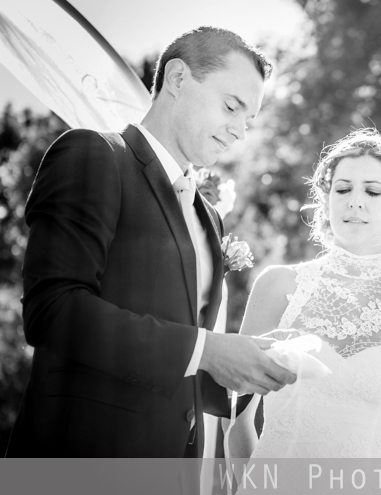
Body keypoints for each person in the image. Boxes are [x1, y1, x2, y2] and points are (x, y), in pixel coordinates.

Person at [6, 26, 296, 458]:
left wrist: (253, 367)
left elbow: (183, 358)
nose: (239, 131)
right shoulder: (94, 155)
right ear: (177, 78)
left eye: (247, 120)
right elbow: (53, 311)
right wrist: (207, 350)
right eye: (231, 106)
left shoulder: (209, 216)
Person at [226, 129, 381, 472]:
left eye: (372, 191)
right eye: (343, 189)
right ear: (326, 201)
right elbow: (237, 418)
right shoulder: (277, 287)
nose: (355, 201)